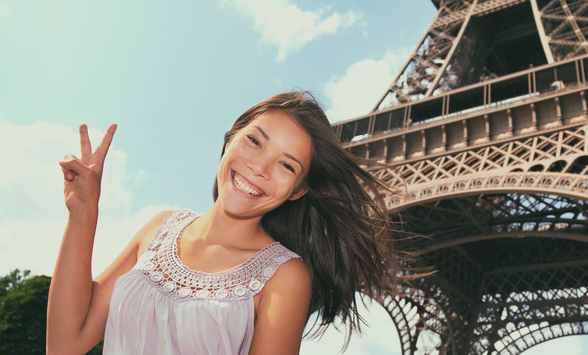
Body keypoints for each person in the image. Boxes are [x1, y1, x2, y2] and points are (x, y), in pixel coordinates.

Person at [47, 91, 401, 355]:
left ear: (298, 191)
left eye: (286, 165)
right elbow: (64, 344)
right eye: (254, 141)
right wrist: (82, 213)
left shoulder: (285, 275)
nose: (260, 167)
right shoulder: (160, 227)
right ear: (230, 137)